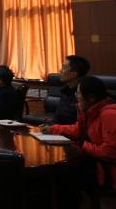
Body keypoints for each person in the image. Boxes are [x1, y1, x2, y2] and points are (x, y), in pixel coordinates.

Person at [40, 76, 116, 205]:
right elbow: (79, 129)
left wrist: (82, 145)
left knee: (65, 176)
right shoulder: (92, 109)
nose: (76, 97)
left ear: (91, 97)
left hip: (106, 169)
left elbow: (109, 152)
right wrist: (53, 129)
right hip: (94, 161)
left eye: (78, 94)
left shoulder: (109, 115)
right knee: (60, 174)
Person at [52, 55, 91, 125]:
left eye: (63, 68)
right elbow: (57, 117)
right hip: (59, 130)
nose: (60, 71)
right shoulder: (65, 90)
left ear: (74, 74)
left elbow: (78, 126)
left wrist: (55, 129)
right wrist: (50, 128)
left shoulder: (83, 95)